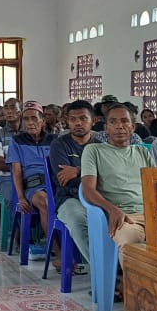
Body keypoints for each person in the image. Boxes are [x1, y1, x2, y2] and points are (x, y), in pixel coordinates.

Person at [80, 104, 155, 267]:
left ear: (133, 127)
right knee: (131, 243)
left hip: (151, 215)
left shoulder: (142, 152)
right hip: (122, 217)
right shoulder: (94, 151)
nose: (119, 126)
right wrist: (112, 209)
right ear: (106, 128)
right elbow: (88, 190)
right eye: (113, 122)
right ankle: (134, 290)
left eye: (124, 121)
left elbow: (155, 188)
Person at [50, 100, 104, 264]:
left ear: (93, 121)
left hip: (97, 198)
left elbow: (106, 177)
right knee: (78, 221)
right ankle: (103, 272)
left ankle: (115, 269)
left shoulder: (100, 146)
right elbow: (65, 180)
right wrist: (91, 175)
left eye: (83, 118)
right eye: (73, 119)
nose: (78, 123)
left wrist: (78, 171)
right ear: (67, 121)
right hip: (69, 198)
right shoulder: (59, 145)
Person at [7, 101, 57, 258]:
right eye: (26, 119)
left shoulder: (54, 140)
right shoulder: (17, 141)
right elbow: (16, 171)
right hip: (33, 186)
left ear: (42, 121)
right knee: (46, 202)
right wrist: (20, 197)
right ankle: (57, 250)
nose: (30, 123)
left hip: (55, 183)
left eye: (34, 118)